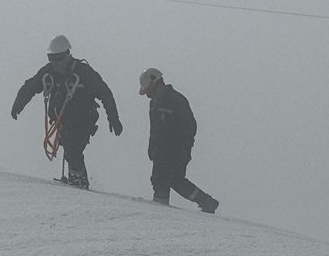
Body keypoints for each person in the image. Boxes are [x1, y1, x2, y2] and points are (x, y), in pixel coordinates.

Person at [11, 36, 122, 189]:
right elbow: (30, 86)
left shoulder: (83, 73)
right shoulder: (48, 72)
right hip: (63, 121)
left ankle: (79, 182)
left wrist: (113, 118)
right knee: (70, 149)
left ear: (67, 54)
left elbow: (104, 93)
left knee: (73, 149)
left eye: (58, 58)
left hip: (83, 120)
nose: (55, 63)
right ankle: (76, 180)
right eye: (51, 58)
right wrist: (18, 105)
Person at [139, 67, 219, 213]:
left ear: (157, 85)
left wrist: (182, 150)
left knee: (161, 180)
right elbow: (155, 129)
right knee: (175, 180)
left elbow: (190, 128)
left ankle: (160, 213)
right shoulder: (154, 104)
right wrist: (152, 147)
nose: (148, 96)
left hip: (175, 151)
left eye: (149, 91)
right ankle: (206, 202)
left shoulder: (177, 101)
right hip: (160, 150)